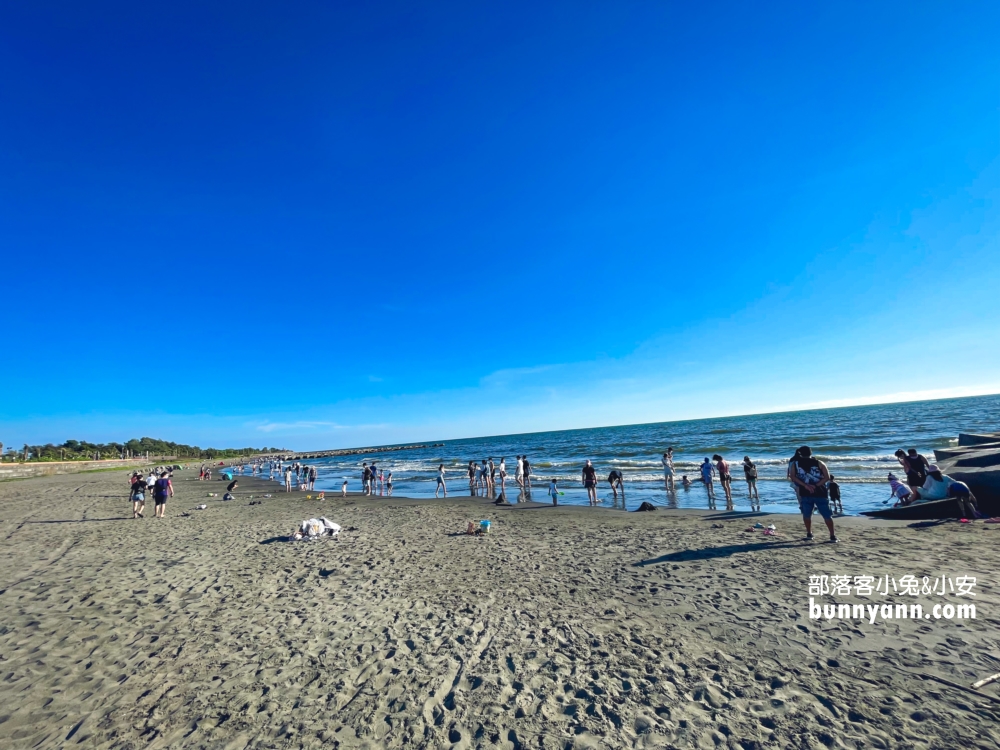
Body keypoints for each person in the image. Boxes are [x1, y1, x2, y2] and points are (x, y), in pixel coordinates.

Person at [790, 446, 837, 543]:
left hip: (805, 491)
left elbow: (793, 477)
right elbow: (827, 477)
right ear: (811, 453)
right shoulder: (819, 463)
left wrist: (805, 485)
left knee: (807, 514)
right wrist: (816, 485)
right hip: (820, 492)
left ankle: (809, 533)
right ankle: (832, 536)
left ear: (800, 453)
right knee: (827, 515)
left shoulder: (795, 464)